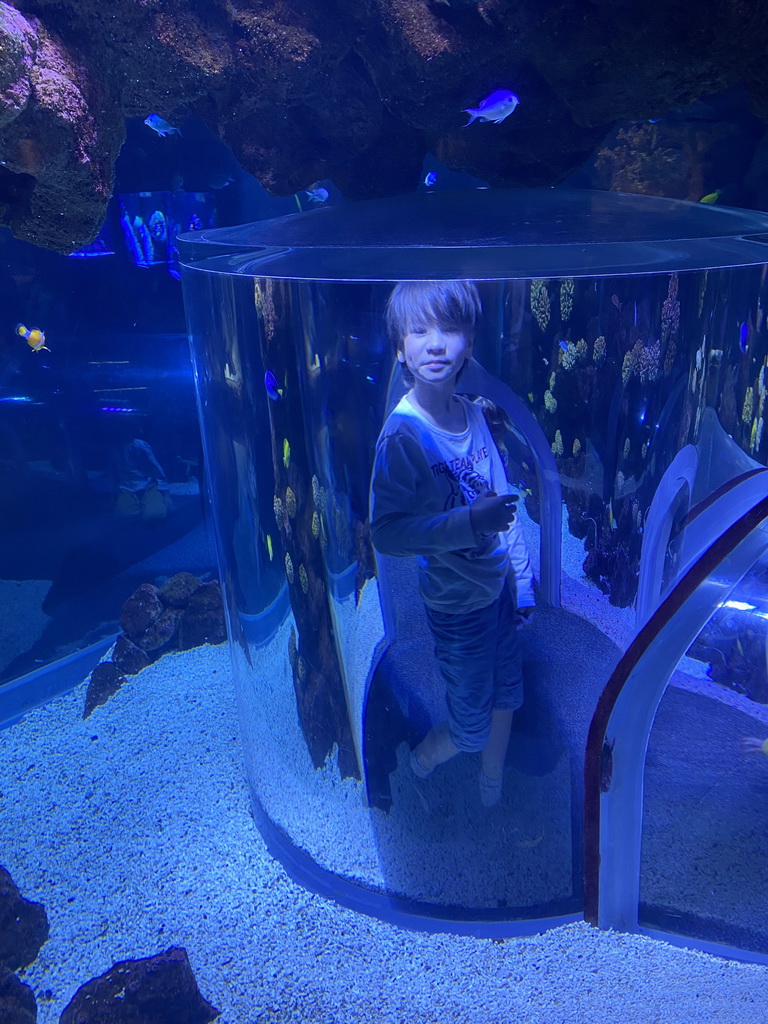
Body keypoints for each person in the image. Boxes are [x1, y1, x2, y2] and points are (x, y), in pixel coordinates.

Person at [370, 280, 535, 807]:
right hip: (456, 608)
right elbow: (386, 532)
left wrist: (523, 584)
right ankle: (421, 760)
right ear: (400, 349)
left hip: (500, 595)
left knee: (509, 693)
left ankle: (492, 789)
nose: (435, 344)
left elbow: (504, 503)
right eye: (419, 331)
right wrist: (468, 523)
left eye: (450, 329)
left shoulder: (473, 413)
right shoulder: (402, 436)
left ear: (470, 341)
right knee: (469, 729)